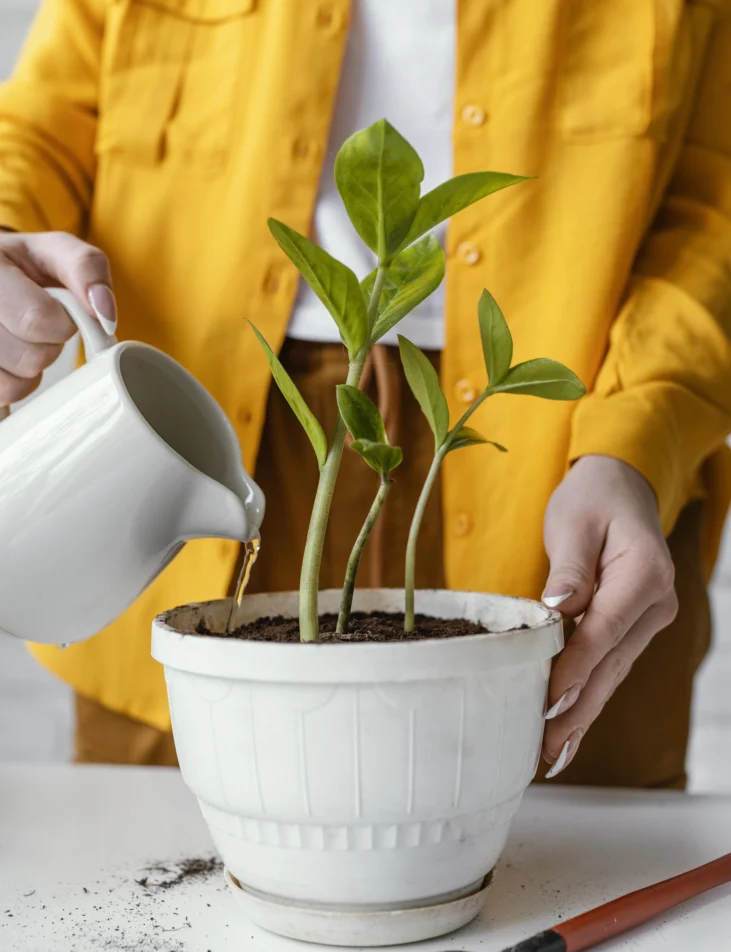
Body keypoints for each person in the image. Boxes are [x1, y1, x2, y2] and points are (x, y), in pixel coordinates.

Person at [0, 0, 728, 786]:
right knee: (158, 836)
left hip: (563, 459)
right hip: (197, 435)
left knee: (554, 834)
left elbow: (710, 208)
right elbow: (39, 129)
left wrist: (634, 437)